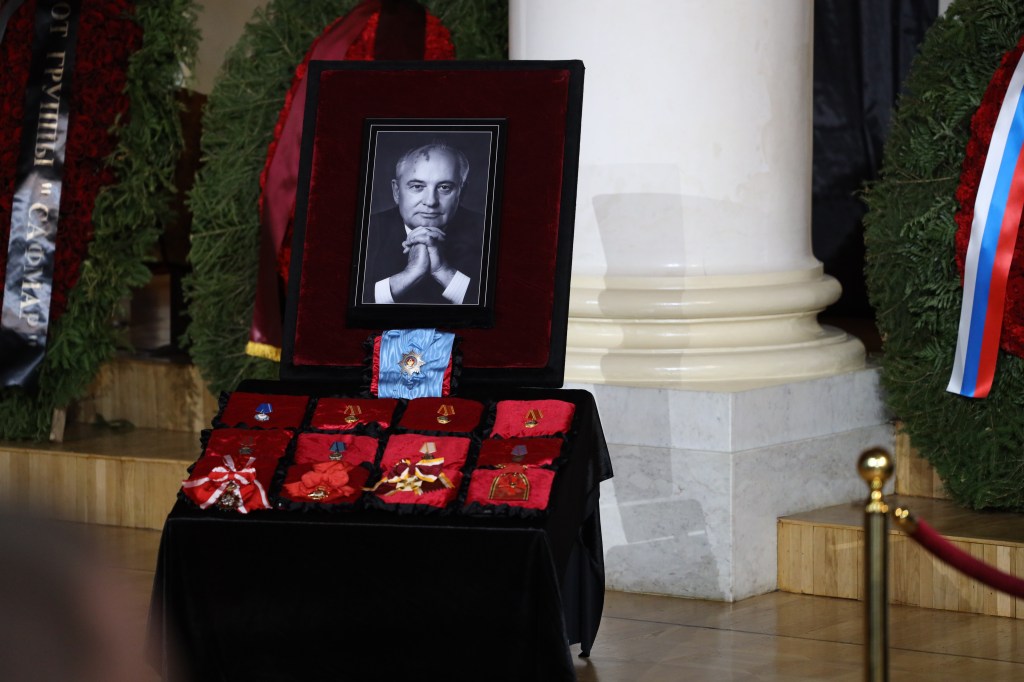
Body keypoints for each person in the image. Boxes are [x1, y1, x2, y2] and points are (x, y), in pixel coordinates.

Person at [363, 141, 485, 304]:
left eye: (444, 187)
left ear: (461, 193)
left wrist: (443, 271)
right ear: (397, 191)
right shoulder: (364, 230)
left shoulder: (488, 231)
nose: (431, 201)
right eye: (417, 186)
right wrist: (409, 275)